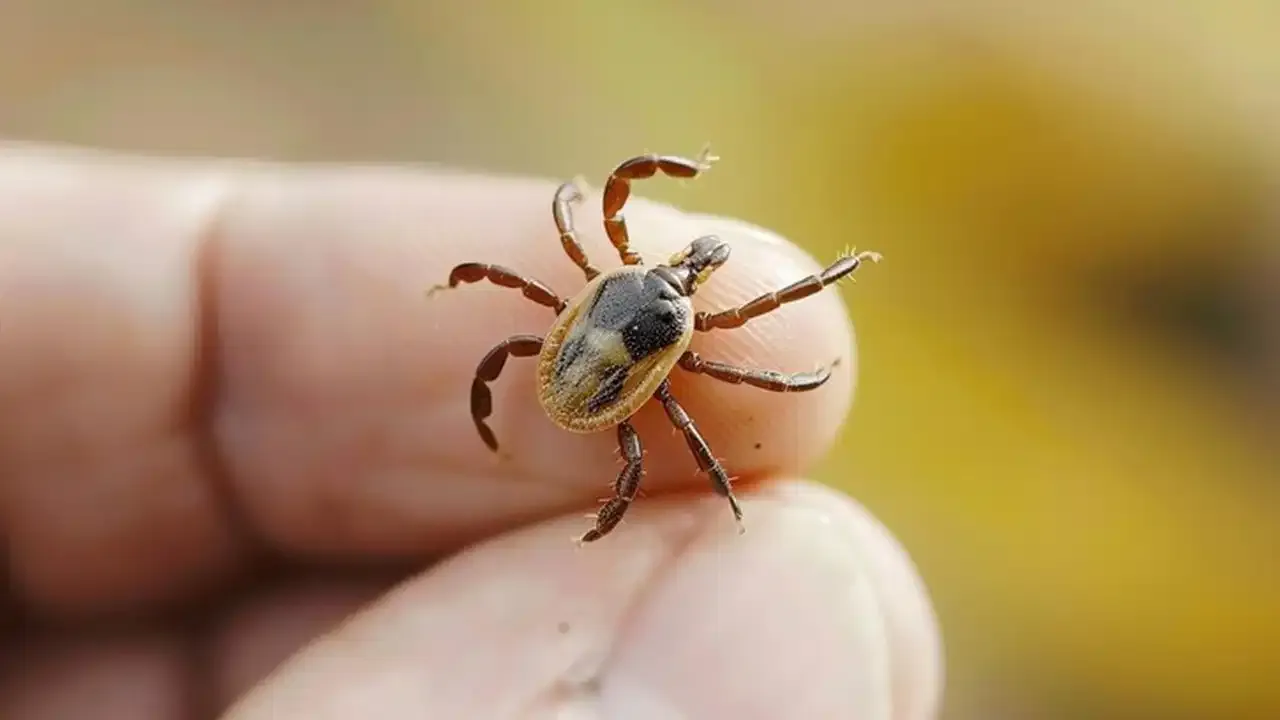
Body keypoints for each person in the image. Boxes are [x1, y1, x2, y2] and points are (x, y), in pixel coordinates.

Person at [0, 143, 942, 719]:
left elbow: (594, 207)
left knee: (524, 356)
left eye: (688, 274)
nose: (687, 272)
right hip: (602, 393)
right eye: (685, 270)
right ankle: (632, 510)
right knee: (672, 430)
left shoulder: (614, 274)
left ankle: (596, 503)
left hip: (576, 381)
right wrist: (793, 365)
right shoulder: (678, 324)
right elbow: (745, 355)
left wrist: (565, 219)